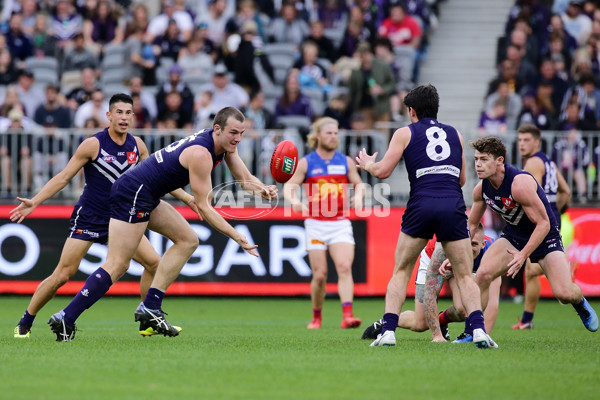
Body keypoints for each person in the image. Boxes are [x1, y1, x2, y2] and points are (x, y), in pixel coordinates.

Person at [47, 107, 277, 341]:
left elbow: (246, 180)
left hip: (146, 193)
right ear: (217, 129)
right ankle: (66, 316)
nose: (238, 138)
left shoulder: (224, 145)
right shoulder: (201, 154)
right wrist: (237, 236)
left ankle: (150, 307)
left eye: (242, 133)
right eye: (233, 133)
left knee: (188, 240)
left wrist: (263, 189)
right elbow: (205, 207)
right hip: (133, 193)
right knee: (117, 264)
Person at [9, 93, 196, 339]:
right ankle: (25, 322)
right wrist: (35, 201)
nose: (124, 117)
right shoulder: (92, 145)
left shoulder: (138, 145)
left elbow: (157, 180)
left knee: (153, 263)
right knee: (63, 274)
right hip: (90, 216)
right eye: (119, 112)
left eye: (129, 113)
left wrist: (187, 198)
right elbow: (64, 177)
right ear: (108, 116)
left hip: (123, 218)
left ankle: (148, 318)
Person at [355, 84, 496, 348]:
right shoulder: (455, 134)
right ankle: (478, 330)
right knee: (466, 275)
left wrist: (368, 165)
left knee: (401, 271)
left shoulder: (404, 133)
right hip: (451, 204)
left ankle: (388, 332)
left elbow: (384, 171)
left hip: (421, 204)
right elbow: (463, 178)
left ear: (412, 111)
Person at [469, 136, 598, 335]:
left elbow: (544, 223)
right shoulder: (481, 189)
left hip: (546, 237)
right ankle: (475, 331)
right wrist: (453, 255)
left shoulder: (519, 184)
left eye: (484, 159)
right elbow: (471, 225)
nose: (478, 164)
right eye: (476, 159)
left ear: (500, 161)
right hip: (513, 236)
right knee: (483, 274)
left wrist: (523, 255)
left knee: (564, 294)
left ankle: (579, 302)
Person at [283, 117, 364, 330]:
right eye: (329, 133)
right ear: (317, 136)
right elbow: (289, 187)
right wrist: (295, 202)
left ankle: (348, 315)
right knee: (320, 275)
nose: (333, 137)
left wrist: (359, 196)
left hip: (339, 222)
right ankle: (316, 317)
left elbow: (359, 184)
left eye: (336, 133)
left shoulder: (345, 161)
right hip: (316, 223)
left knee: (345, 267)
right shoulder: (307, 162)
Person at [361, 224, 501, 342]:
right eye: (466, 243)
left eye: (474, 244)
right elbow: (430, 291)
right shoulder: (442, 249)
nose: (468, 249)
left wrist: (482, 336)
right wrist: (437, 336)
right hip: (433, 261)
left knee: (462, 311)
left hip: (460, 267)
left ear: (483, 244)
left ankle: (442, 320)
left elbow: (492, 302)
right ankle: (386, 321)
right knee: (420, 323)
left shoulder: (492, 253)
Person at [512, 124, 571, 330]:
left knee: (532, 268)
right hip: (553, 214)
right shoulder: (549, 161)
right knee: (530, 270)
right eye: (519, 140)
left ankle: (566, 269)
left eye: (526, 140)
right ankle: (527, 319)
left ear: (537, 142)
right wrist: (556, 209)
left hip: (542, 220)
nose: (521, 144)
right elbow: (565, 191)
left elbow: (532, 193)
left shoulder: (533, 162)